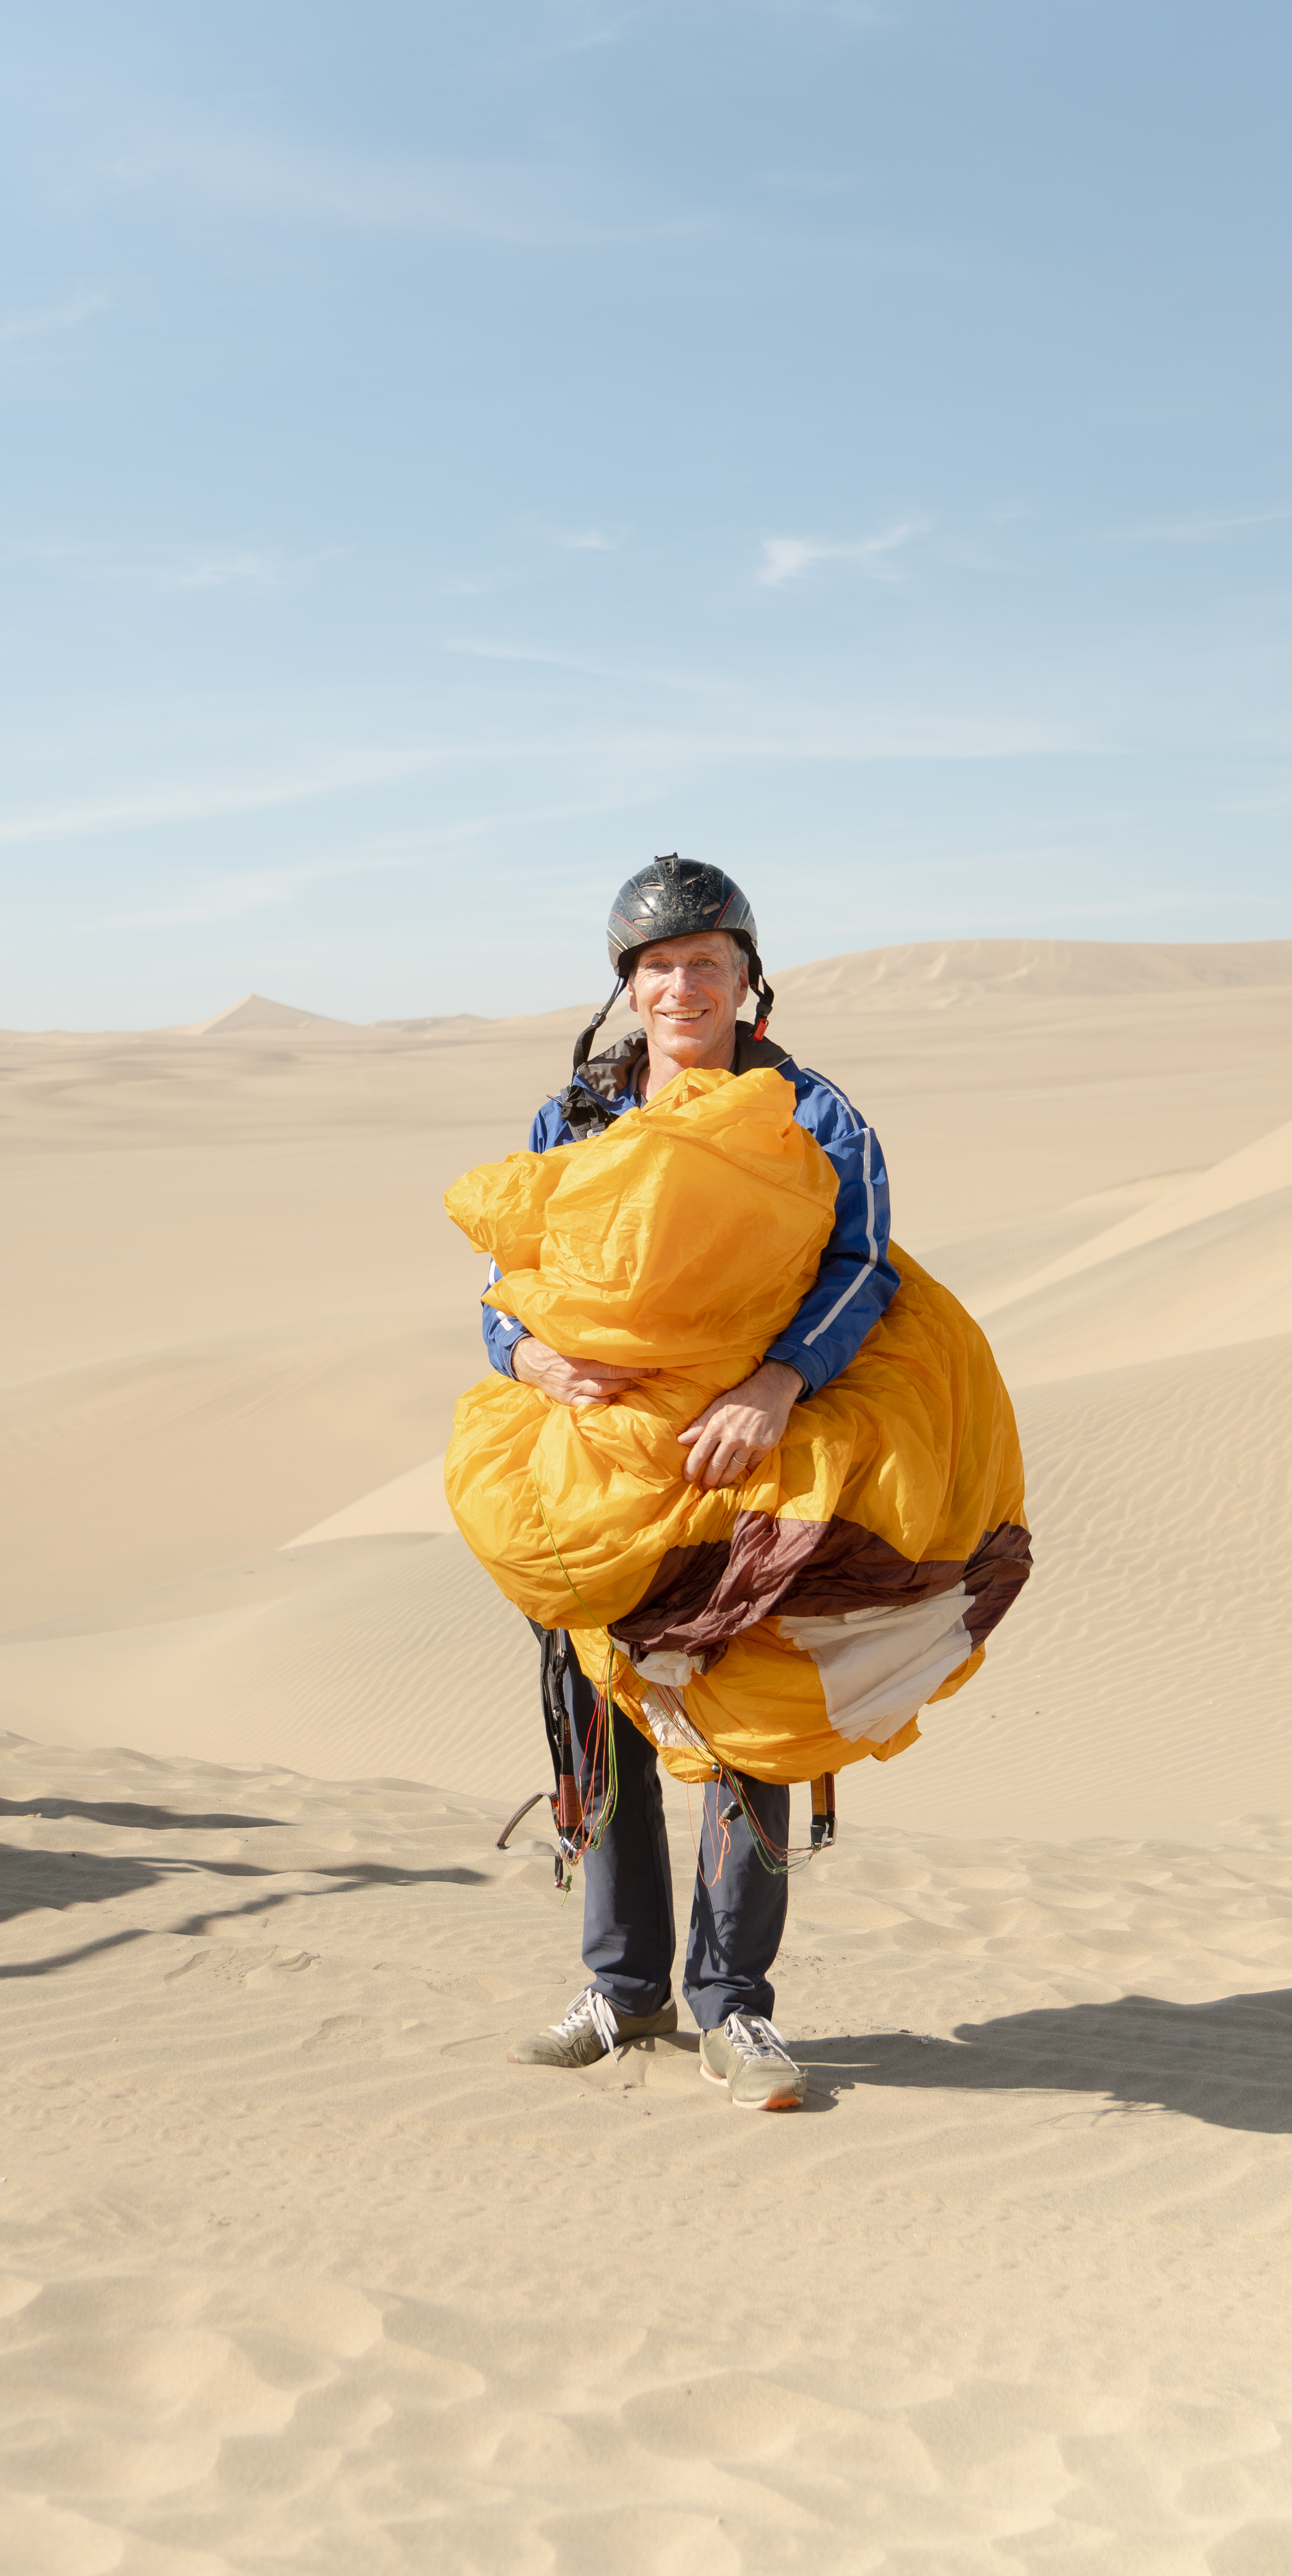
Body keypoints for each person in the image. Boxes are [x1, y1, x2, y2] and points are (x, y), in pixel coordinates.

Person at [486, 854, 897, 2112]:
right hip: (598, 1462)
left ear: (743, 978)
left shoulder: (811, 1114)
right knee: (598, 1709)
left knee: (747, 1719)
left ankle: (734, 2006)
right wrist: (526, 1350)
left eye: (703, 964)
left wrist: (775, 1381)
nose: (680, 986)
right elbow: (510, 1268)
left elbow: (861, 1262)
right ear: (629, 986)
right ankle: (622, 1989)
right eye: (656, 967)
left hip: (748, 1454)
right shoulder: (575, 1117)